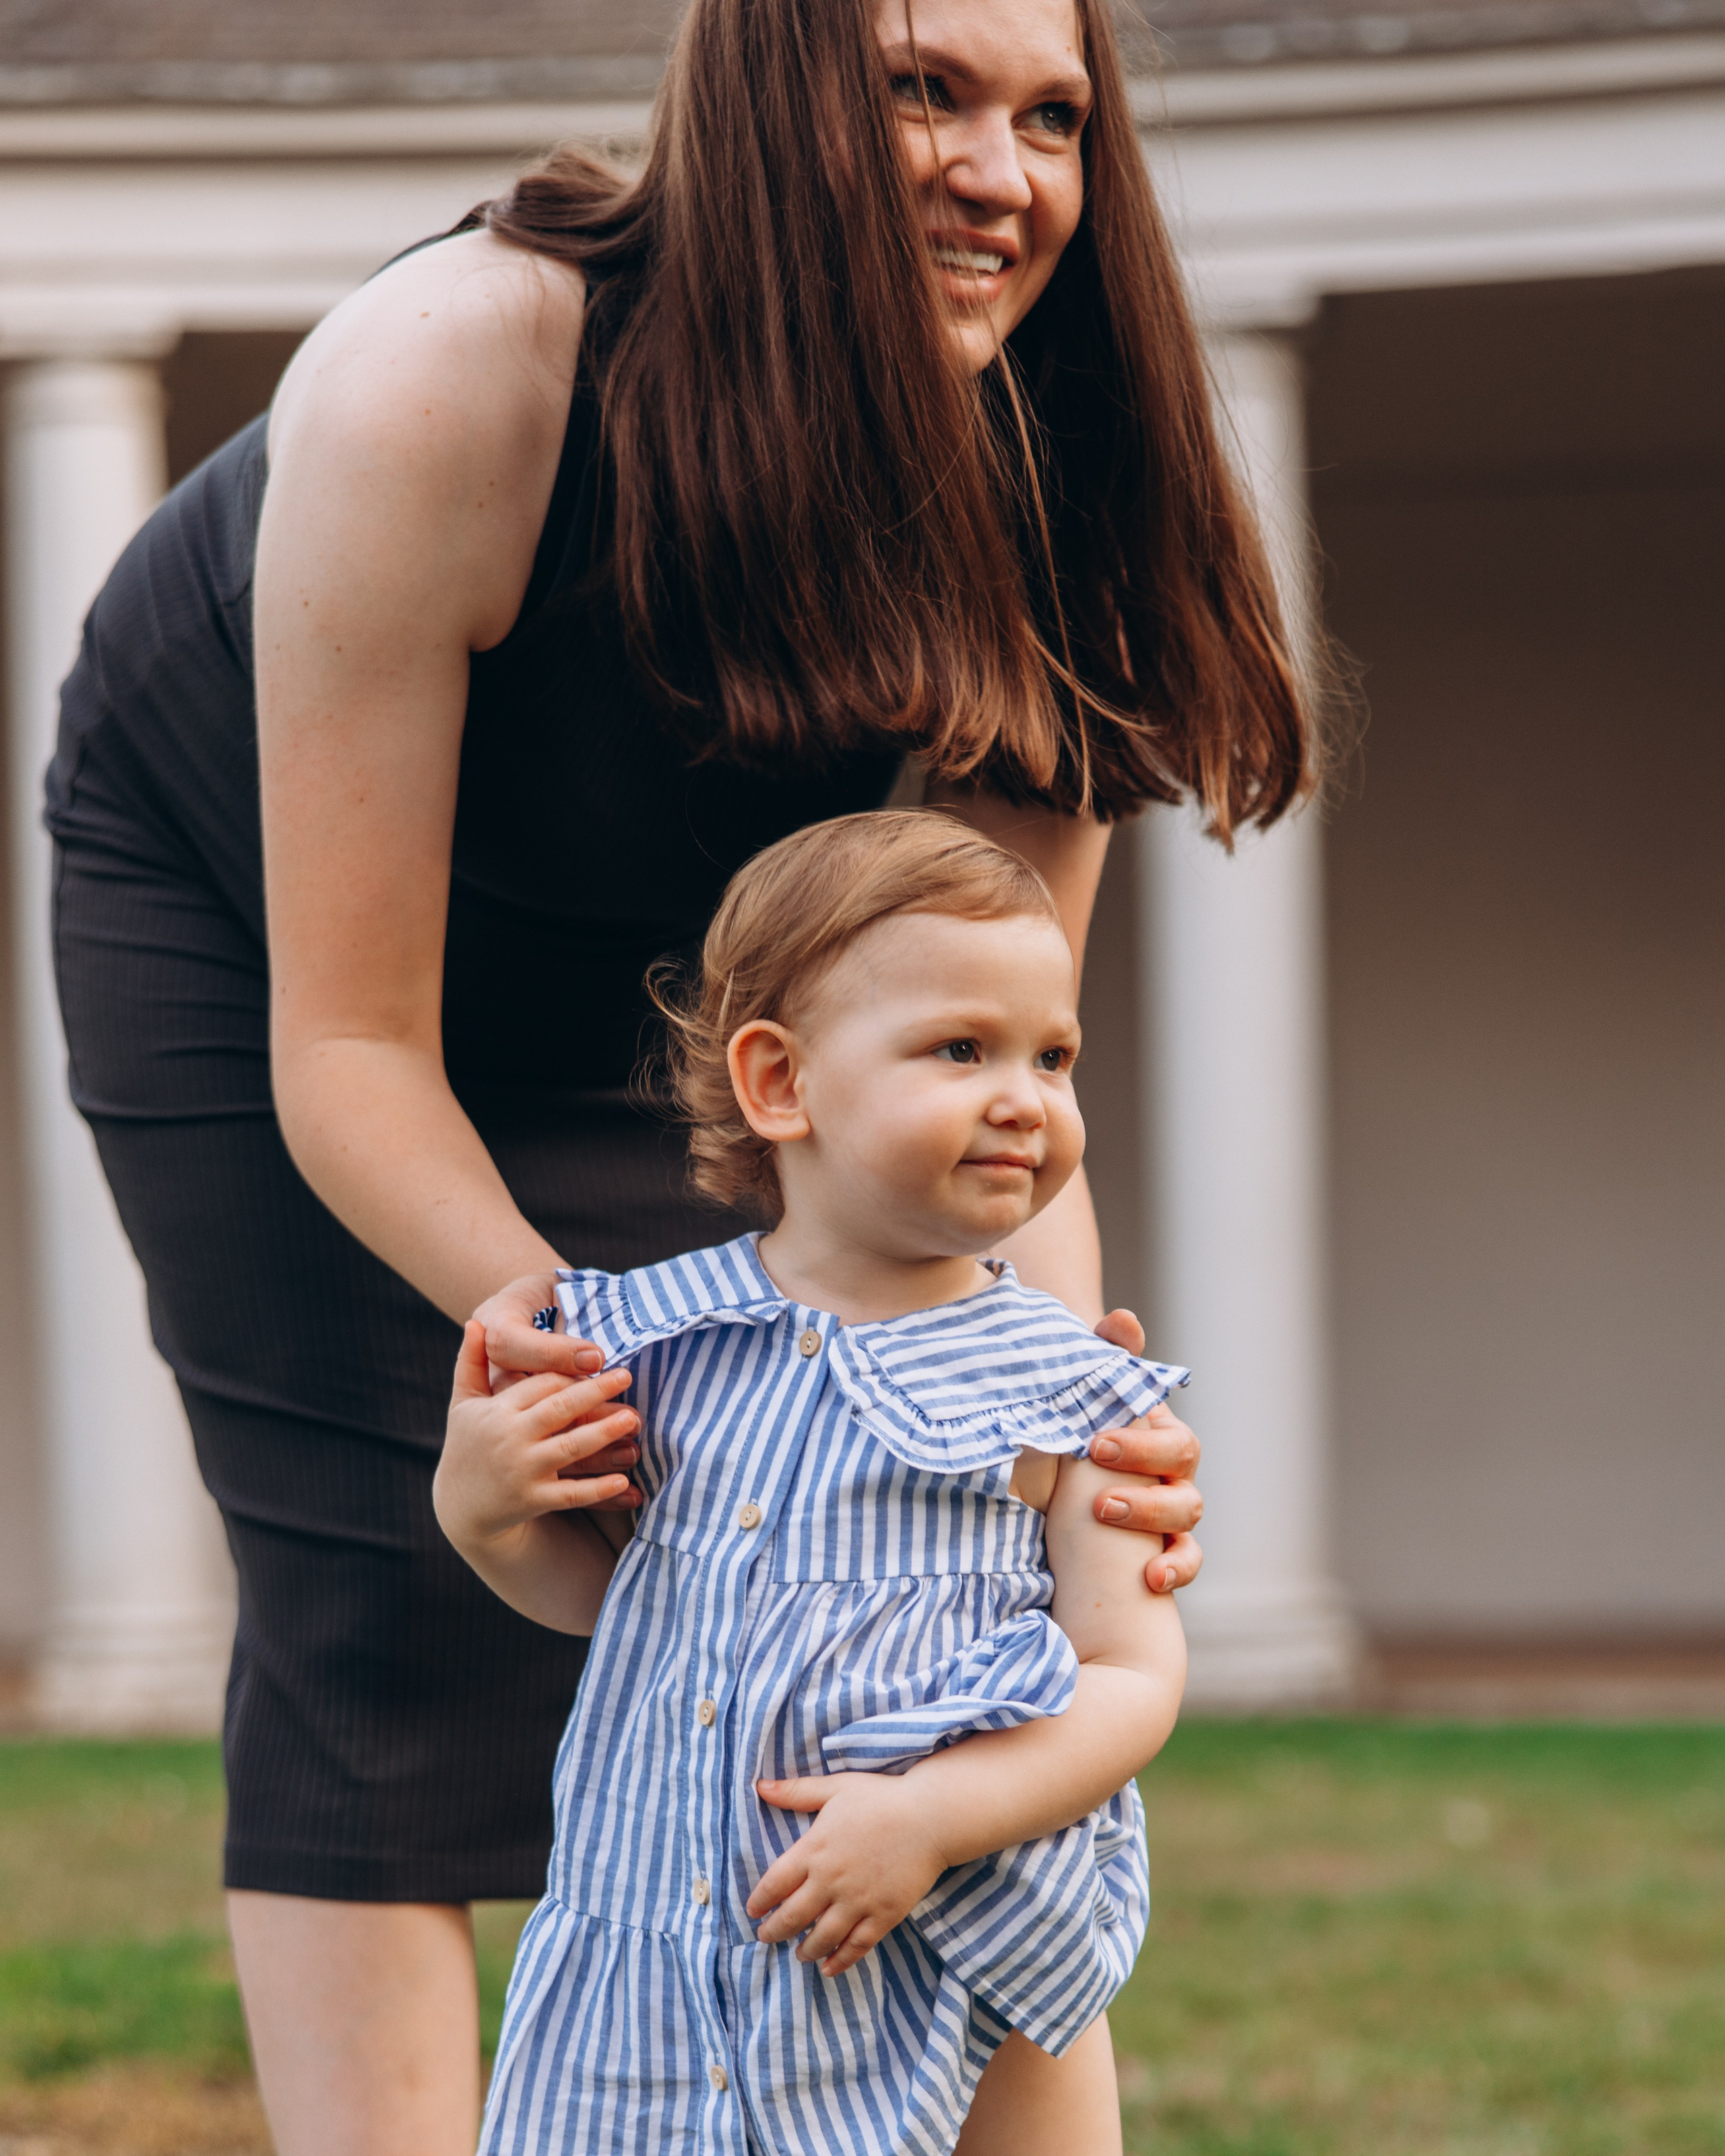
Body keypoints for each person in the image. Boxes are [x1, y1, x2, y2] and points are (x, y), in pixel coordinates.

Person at [44, 0, 1309, 2147]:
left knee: (940, 1595)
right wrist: (606, 1367)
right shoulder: (455, 369)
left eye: (1054, 116)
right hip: (266, 916)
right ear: (772, 93)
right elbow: (352, 1047)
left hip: (731, 942)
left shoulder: (1056, 466)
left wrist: (1057, 1417)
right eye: (926, 89)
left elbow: (984, 1102)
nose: (1002, 173)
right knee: (386, 1578)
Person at [436, 812, 1191, 2155]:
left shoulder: (1072, 1386)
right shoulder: (645, 1346)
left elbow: (1130, 1677)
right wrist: (481, 1504)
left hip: (960, 1916)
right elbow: (598, 1601)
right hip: (672, 1926)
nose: (1025, 1093)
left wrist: (928, 1816)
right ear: (780, 1083)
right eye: (961, 1048)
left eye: (1053, 1054)